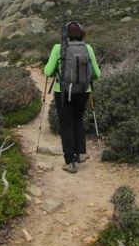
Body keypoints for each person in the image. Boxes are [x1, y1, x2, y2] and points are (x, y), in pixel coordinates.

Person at [43, 21, 100, 173]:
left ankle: (70, 162)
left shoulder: (58, 48)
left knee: (66, 125)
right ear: (82, 33)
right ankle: (80, 154)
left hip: (62, 91)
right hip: (83, 90)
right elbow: (96, 73)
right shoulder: (87, 48)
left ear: (65, 34)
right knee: (77, 120)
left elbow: (48, 71)